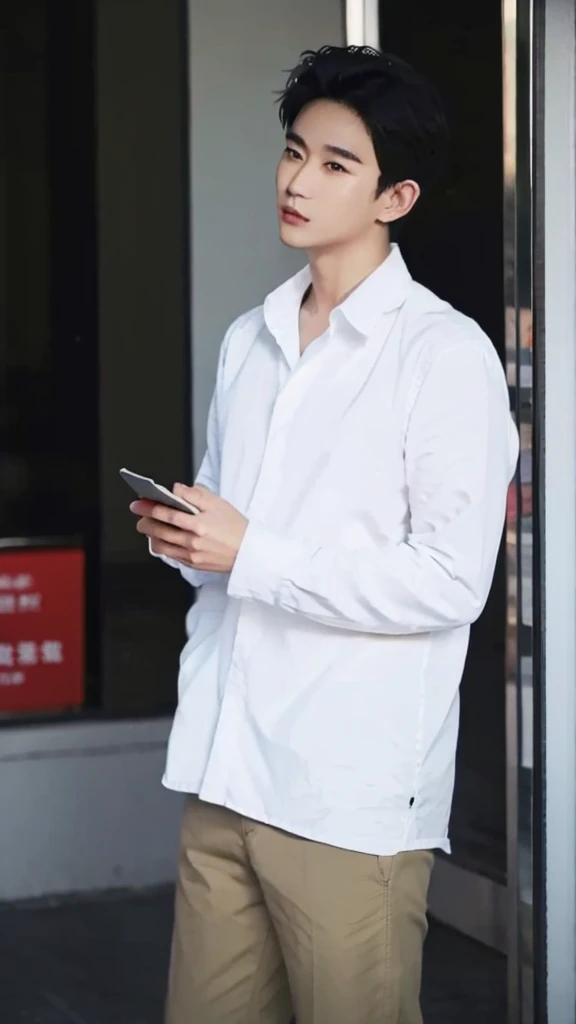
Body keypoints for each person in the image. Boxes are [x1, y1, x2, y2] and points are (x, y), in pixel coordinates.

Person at [130, 45, 518, 1024]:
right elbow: (233, 544)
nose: (298, 181)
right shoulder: (248, 338)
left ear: (397, 196)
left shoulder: (443, 356)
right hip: (226, 771)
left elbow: (448, 581)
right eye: (293, 151)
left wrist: (250, 552)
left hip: (345, 801)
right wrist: (193, 542)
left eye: (337, 164)